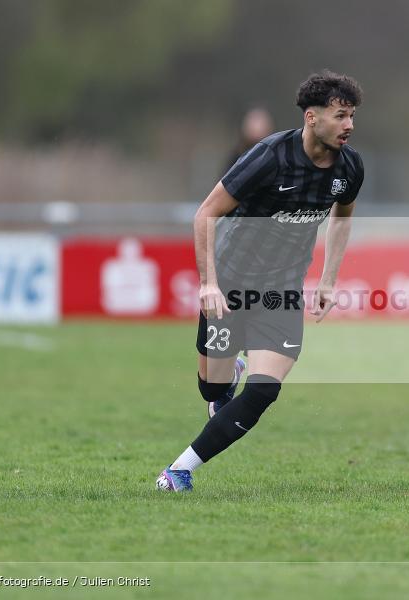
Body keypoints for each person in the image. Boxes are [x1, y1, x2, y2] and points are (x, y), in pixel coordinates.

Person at [156, 71, 364, 492]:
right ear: (311, 117)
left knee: (265, 390)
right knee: (212, 388)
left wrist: (328, 281)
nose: (349, 126)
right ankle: (225, 375)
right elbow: (206, 214)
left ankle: (178, 470)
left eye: (352, 116)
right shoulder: (268, 157)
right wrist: (208, 283)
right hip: (230, 283)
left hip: (281, 290)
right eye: (340, 116)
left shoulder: (350, 168)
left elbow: (343, 216)